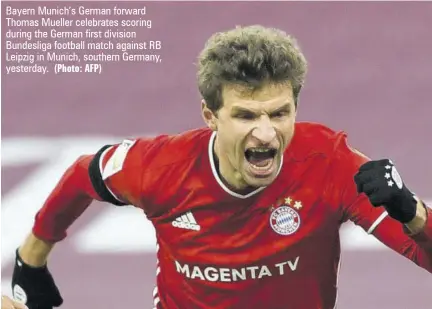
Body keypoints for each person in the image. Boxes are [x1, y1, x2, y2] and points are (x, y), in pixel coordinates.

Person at [10, 25, 431, 309]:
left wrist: (414, 214)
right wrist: (31, 260)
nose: (266, 134)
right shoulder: (158, 168)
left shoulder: (330, 164)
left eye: (280, 113)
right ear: (210, 115)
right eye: (247, 116)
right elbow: (84, 174)